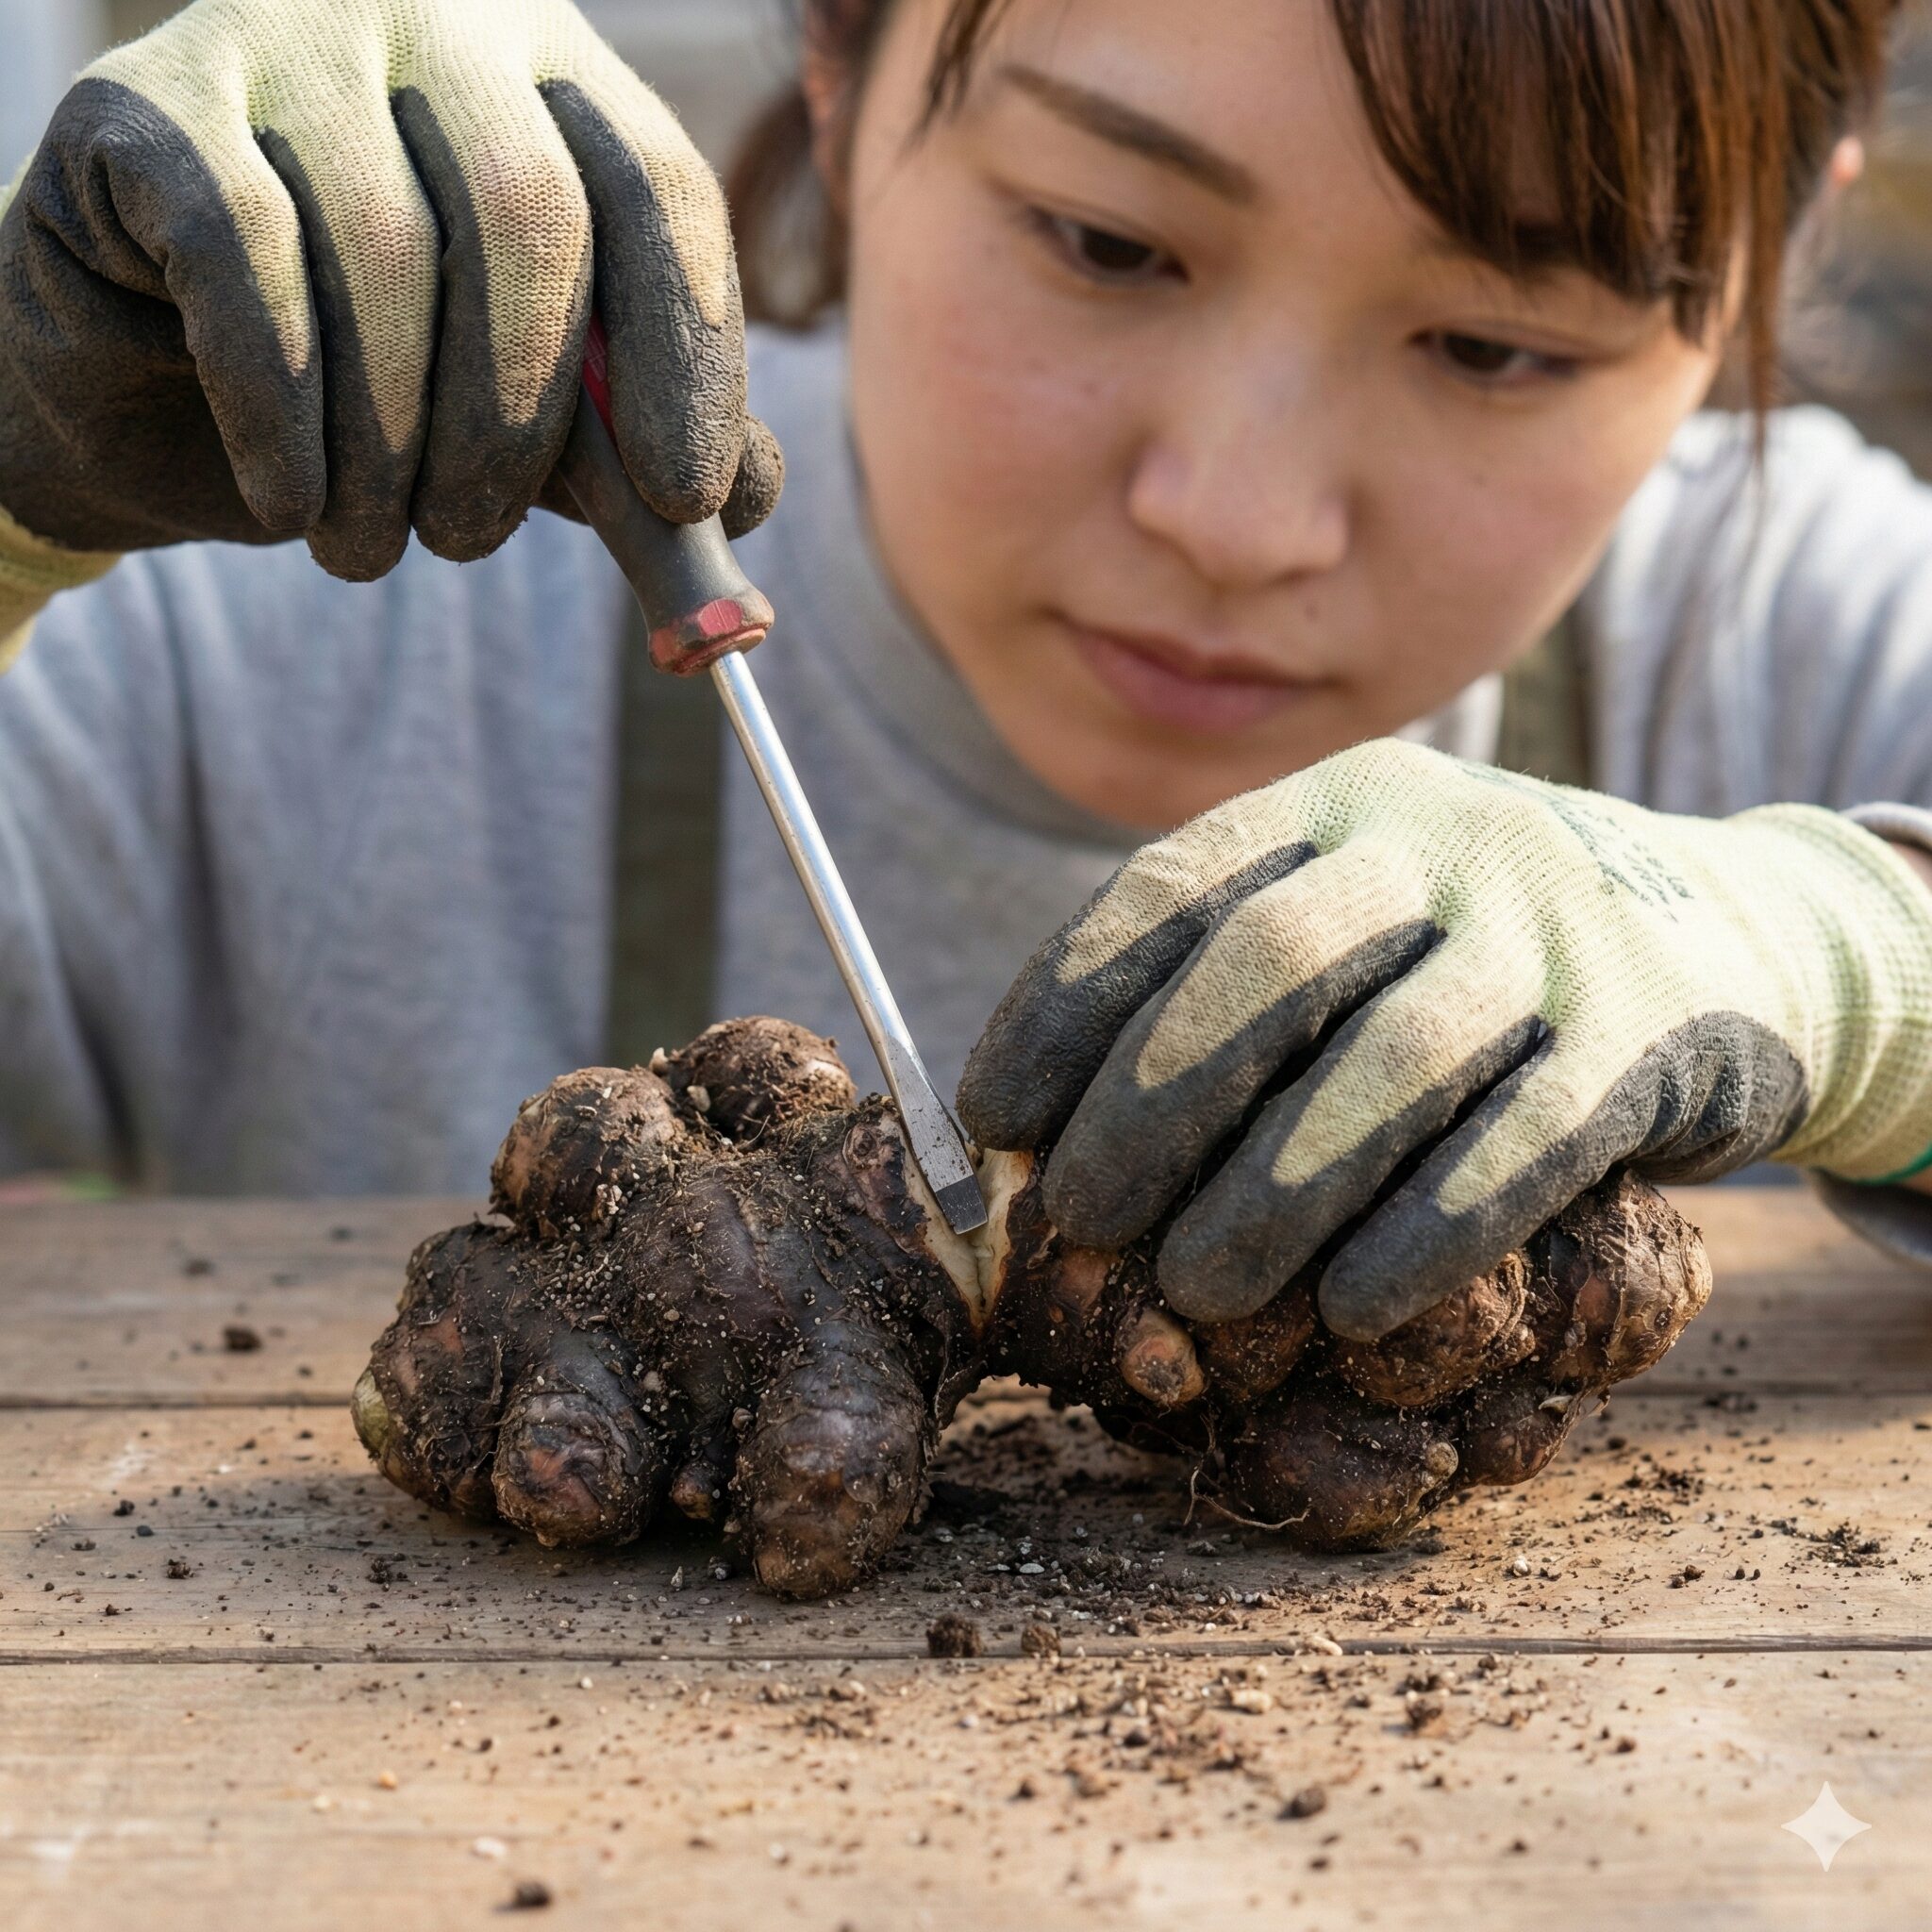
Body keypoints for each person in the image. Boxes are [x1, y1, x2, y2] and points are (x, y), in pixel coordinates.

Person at [1, 0, 1929, 1342]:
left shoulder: (1787, 636)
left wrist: (1847, 959)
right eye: (1106, 239)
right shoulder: (291, 632)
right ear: (839, 59)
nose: (1236, 514)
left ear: (1769, 256)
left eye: (1498, 347)